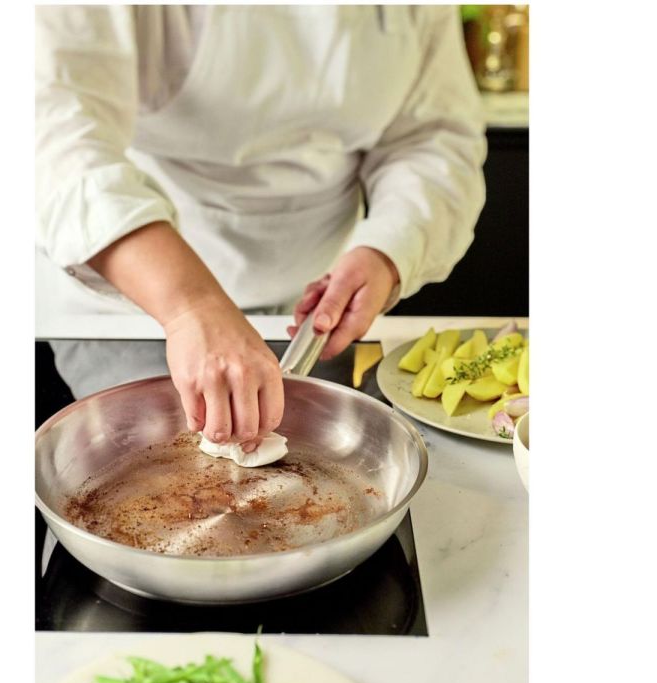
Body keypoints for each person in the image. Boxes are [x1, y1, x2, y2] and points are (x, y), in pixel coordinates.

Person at [35, 5, 486, 453]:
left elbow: (431, 139)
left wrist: (389, 250)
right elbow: (56, 137)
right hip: (137, 297)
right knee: (148, 469)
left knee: (305, 467)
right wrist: (191, 308)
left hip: (311, 315)